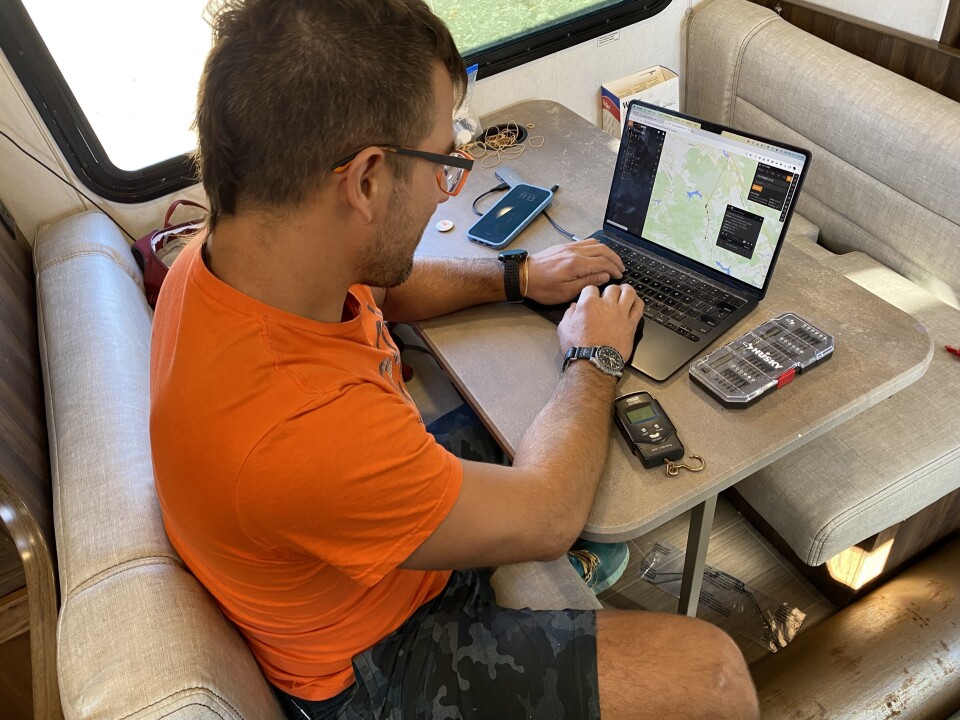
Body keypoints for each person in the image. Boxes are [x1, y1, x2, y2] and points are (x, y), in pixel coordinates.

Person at [149, 1, 760, 718]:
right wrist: (595, 355)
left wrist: (520, 275)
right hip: (379, 660)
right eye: (445, 159)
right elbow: (544, 520)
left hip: (352, 555)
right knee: (713, 673)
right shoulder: (299, 430)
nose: (455, 179)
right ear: (368, 181)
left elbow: (382, 286)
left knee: (552, 417)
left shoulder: (236, 254)